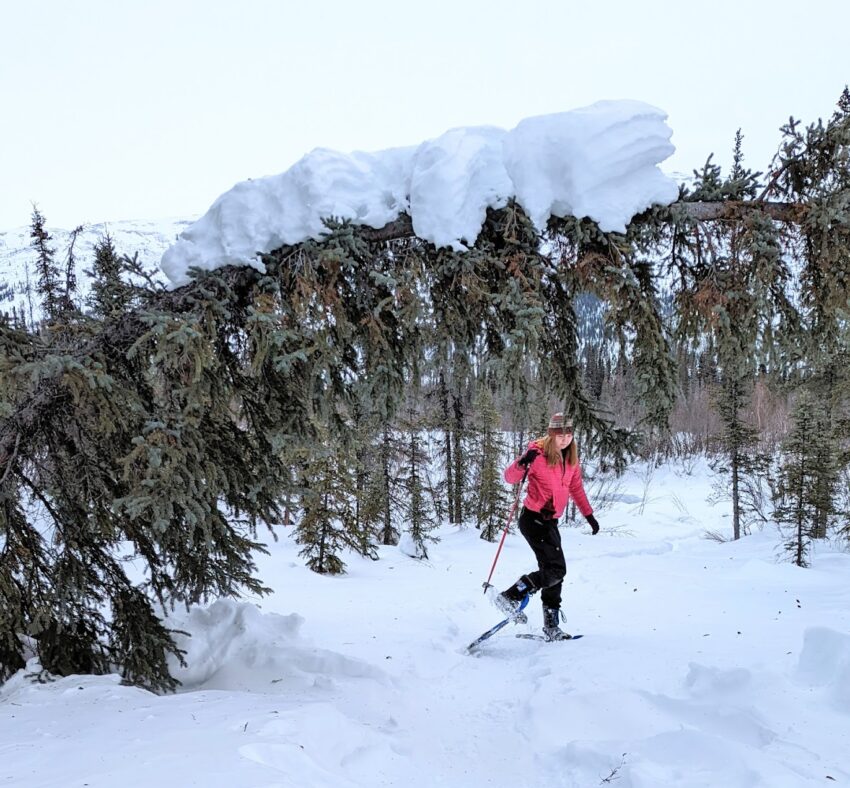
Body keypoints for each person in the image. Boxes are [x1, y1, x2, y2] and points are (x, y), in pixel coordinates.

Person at [493, 412, 599, 641]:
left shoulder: (570, 459)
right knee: (556, 570)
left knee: (554, 574)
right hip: (533, 520)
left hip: (550, 522)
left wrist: (589, 515)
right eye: (560, 435)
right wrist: (523, 461)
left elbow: (576, 488)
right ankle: (510, 596)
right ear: (551, 434)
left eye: (569, 434)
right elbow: (509, 477)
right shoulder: (538, 455)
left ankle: (551, 626)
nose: (564, 439)